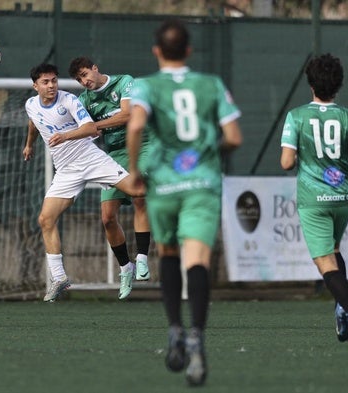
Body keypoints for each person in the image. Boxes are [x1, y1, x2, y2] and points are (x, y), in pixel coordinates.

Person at [126, 19, 243, 386]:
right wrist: (208, 150)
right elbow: (234, 137)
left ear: (156, 51)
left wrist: (134, 170)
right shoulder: (210, 84)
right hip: (202, 184)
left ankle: (174, 328)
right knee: (198, 260)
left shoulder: (145, 85)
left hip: (164, 184)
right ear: (189, 51)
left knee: (169, 253)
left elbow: (134, 127)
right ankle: (197, 336)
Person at [280, 53, 348, 347]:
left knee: (324, 261)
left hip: (313, 198)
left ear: (310, 84)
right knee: (334, 250)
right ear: (338, 86)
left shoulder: (297, 116)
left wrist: (301, 153)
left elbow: (287, 162)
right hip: (342, 196)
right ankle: (341, 311)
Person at [23, 63, 144, 302]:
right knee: (45, 219)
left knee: (137, 191)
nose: (51, 86)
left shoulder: (68, 100)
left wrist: (65, 135)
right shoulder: (30, 104)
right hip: (66, 171)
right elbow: (33, 121)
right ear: (35, 86)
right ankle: (59, 277)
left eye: (54, 81)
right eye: (46, 82)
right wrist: (29, 144)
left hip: (90, 159)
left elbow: (90, 128)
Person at [67, 57, 152, 300]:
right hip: (114, 155)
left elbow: (127, 115)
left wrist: (95, 126)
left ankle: (143, 257)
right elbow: (83, 130)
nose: (85, 81)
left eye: (86, 74)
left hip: (141, 146)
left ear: (95, 68)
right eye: (79, 79)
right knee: (107, 218)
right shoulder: (84, 100)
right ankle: (126, 268)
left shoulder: (124, 82)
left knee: (139, 196)